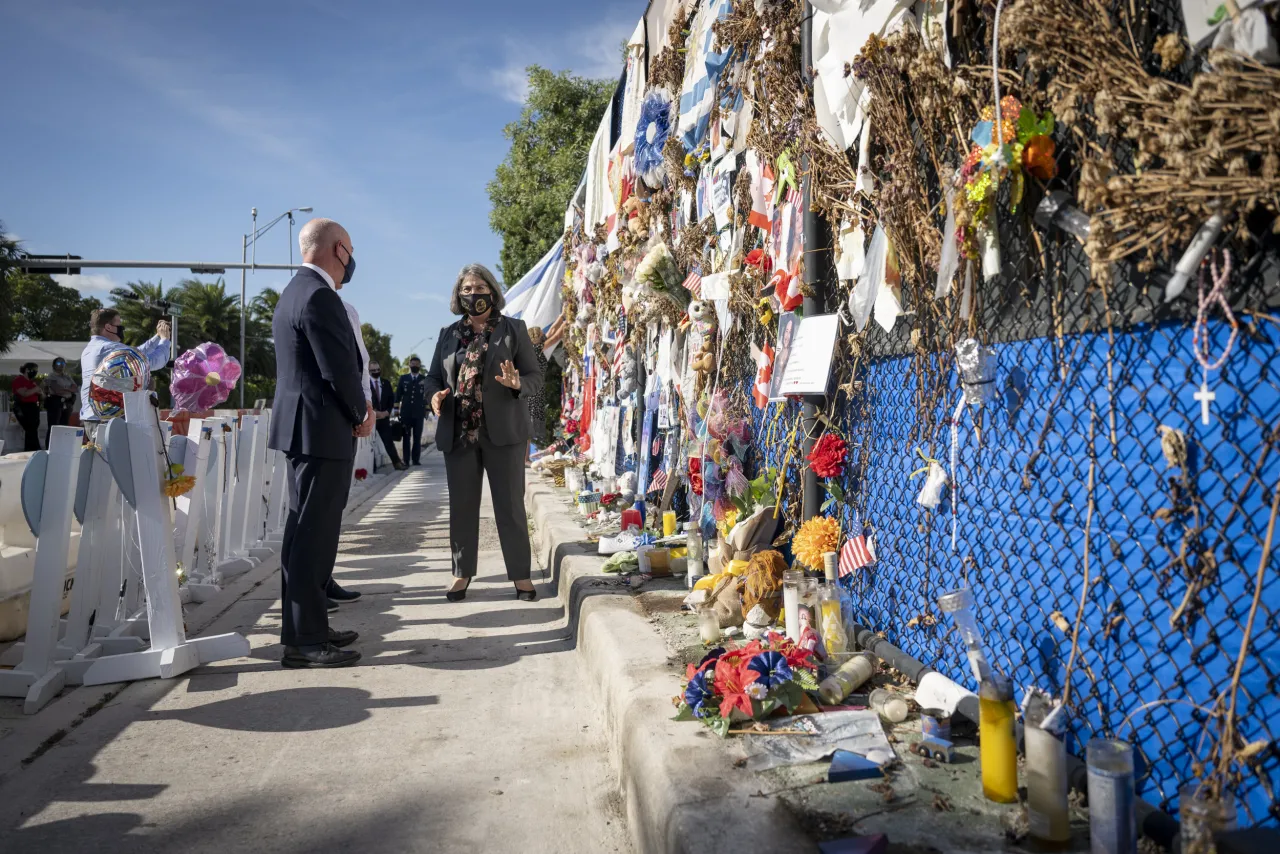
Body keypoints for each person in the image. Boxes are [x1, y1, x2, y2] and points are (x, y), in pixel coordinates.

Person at [267, 217, 373, 669]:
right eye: (349, 250)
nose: (351, 260)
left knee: (301, 532)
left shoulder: (293, 292)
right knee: (315, 535)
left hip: (302, 428)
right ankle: (305, 641)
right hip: (322, 428)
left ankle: (304, 626)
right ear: (338, 250)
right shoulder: (320, 296)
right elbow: (337, 371)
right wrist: (361, 413)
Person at [424, 263, 542, 602]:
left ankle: (521, 576)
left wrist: (518, 383)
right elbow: (433, 378)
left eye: (478, 288)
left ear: (491, 291)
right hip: (459, 432)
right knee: (462, 507)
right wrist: (434, 395)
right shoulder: (448, 334)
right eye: (465, 290)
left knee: (510, 507)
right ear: (457, 295)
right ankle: (461, 574)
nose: (472, 294)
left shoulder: (513, 329)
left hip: (504, 433)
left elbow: (534, 376)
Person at [80, 309, 172, 443]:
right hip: (108, 419)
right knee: (120, 462)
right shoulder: (109, 348)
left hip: (91, 418)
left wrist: (157, 336)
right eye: (119, 325)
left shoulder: (91, 348)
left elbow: (137, 352)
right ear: (108, 327)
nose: (122, 329)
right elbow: (154, 361)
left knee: (101, 463)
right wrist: (165, 339)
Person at [369, 360, 405, 470]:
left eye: (378, 370)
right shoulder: (365, 384)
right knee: (370, 445)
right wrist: (374, 413)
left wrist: (387, 412)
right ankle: (372, 468)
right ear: (369, 371)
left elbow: (391, 400)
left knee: (388, 441)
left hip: (384, 418)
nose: (376, 372)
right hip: (371, 418)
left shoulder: (386, 383)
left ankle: (397, 463)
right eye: (373, 370)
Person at [396, 354, 428, 465]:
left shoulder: (424, 379)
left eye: (417, 364)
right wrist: (396, 411)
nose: (414, 366)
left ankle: (416, 459)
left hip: (419, 414)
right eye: (412, 364)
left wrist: (427, 411)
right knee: (406, 437)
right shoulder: (403, 378)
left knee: (417, 437)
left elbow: (427, 397)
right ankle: (406, 460)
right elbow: (398, 395)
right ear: (409, 365)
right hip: (406, 413)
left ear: (420, 366)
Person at [43, 357, 78, 445]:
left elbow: (75, 388)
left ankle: (62, 445)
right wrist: (69, 389)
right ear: (54, 365)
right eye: (59, 364)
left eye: (63, 364)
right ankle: (50, 446)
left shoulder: (67, 377)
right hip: (55, 402)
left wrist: (65, 389)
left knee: (64, 425)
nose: (61, 366)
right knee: (54, 426)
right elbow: (57, 390)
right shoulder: (52, 376)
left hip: (67, 402)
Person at [11, 362, 44, 451]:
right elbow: (24, 393)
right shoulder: (19, 380)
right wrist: (36, 389)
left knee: (33, 429)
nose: (35, 372)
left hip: (34, 407)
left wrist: (38, 391)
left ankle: (30, 449)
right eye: (33, 370)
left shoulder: (32, 382)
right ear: (26, 370)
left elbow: (41, 394)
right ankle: (35, 449)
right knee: (30, 428)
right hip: (23, 407)